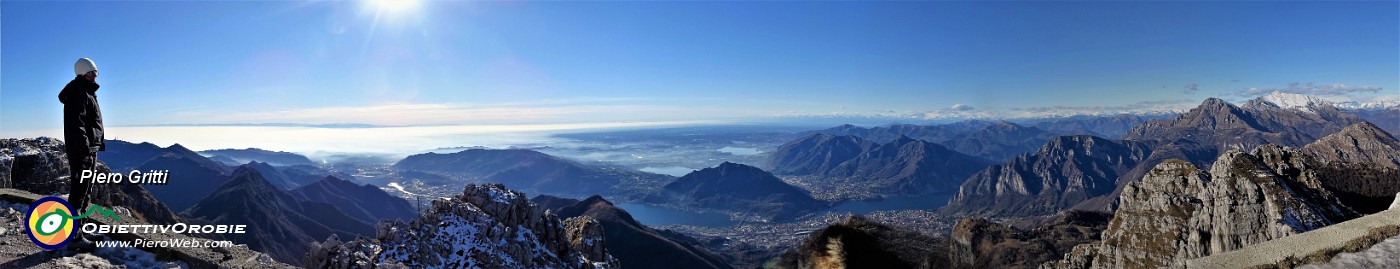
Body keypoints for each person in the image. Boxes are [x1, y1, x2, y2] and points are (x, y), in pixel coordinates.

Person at [59, 57, 105, 250]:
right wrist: (85, 150)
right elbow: (76, 126)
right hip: (82, 151)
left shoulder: (87, 92)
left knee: (86, 190)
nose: (96, 75)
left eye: (96, 72)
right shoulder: (79, 92)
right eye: (93, 72)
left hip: (89, 150)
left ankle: (81, 228)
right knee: (79, 191)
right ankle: (74, 237)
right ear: (84, 73)